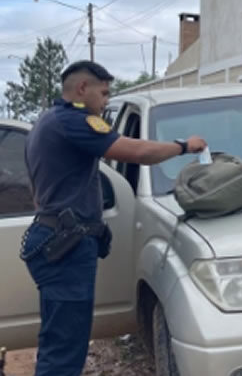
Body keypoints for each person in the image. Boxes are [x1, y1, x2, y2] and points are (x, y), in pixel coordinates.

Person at [20, 60, 207, 376]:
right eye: (104, 93)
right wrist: (184, 146)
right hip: (66, 247)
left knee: (59, 340)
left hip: (54, 240)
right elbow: (138, 153)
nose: (107, 101)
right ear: (83, 88)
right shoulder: (75, 120)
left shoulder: (45, 122)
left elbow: (37, 193)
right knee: (65, 350)